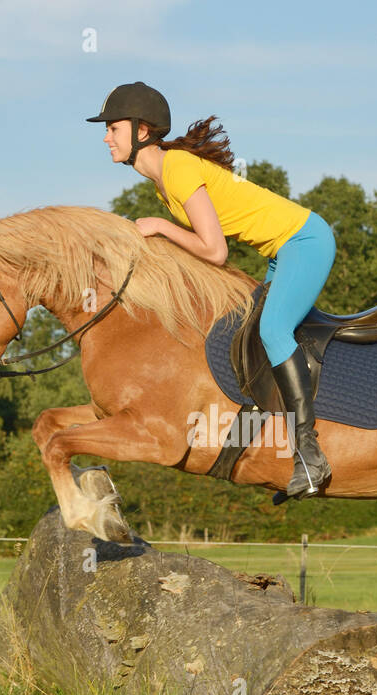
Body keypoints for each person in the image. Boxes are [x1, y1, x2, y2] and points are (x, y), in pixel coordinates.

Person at [86, 82, 335, 499]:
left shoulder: (178, 169)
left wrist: (161, 227)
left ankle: (310, 456)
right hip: (281, 252)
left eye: (113, 127)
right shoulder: (163, 182)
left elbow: (215, 252)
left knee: (274, 331)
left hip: (305, 242)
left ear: (141, 131)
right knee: (250, 336)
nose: (106, 136)